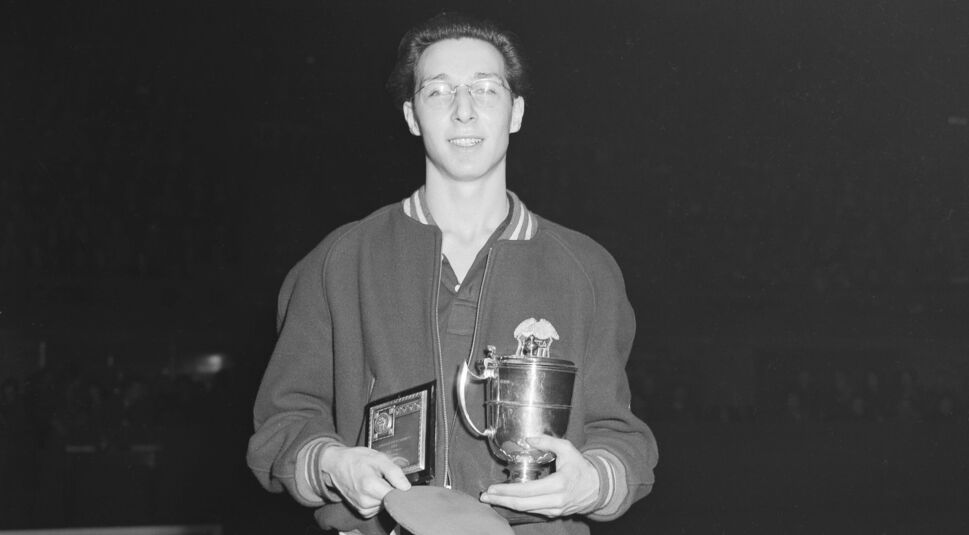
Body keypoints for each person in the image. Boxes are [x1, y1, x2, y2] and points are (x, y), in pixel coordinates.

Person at [247, 13, 657, 535]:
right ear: (412, 116)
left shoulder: (586, 269)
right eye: (438, 92)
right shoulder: (339, 261)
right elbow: (282, 426)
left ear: (516, 112)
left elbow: (620, 435)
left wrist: (594, 482)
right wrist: (330, 465)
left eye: (486, 90)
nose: (464, 111)